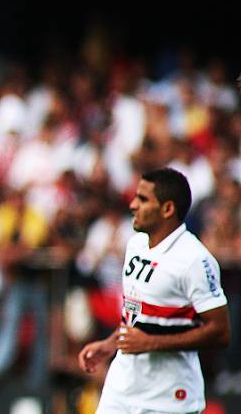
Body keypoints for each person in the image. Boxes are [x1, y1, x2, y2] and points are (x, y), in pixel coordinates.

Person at [78, 167, 230, 414]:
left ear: (168, 209)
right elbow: (137, 317)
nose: (132, 205)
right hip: (123, 385)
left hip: (168, 395)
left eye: (143, 199)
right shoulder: (136, 244)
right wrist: (111, 343)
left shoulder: (195, 260)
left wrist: (152, 343)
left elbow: (221, 332)